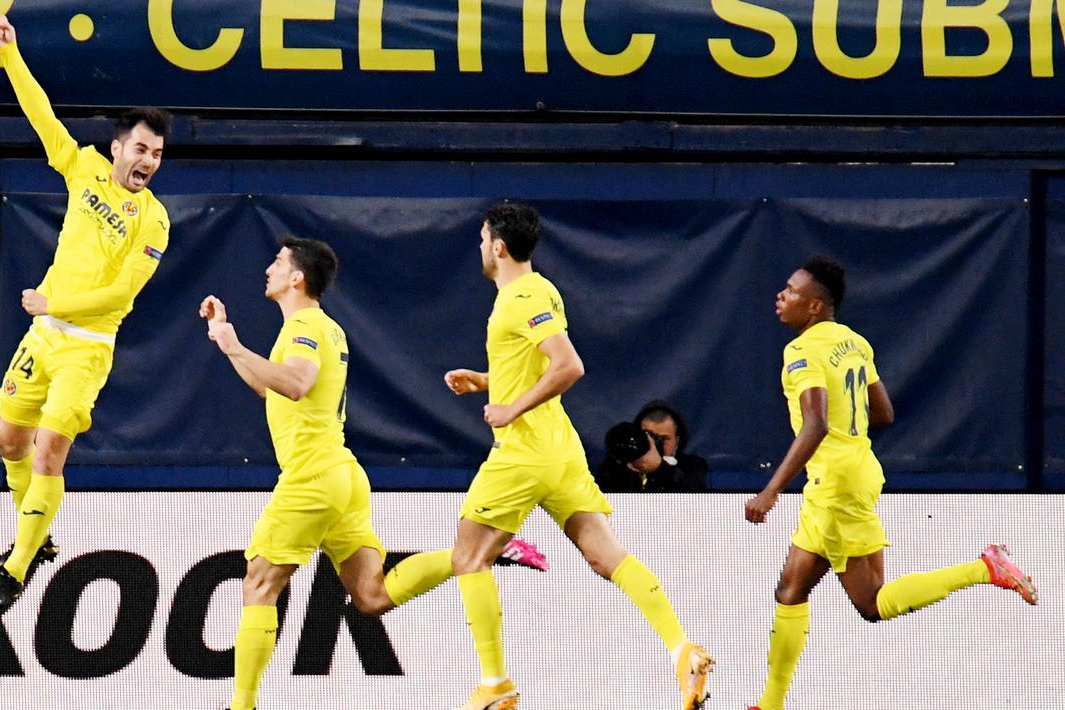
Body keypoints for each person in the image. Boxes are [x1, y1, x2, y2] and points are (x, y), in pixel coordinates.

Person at [200, 237, 546, 710]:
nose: (268, 269)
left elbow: (296, 384)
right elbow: (270, 388)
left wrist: (234, 344)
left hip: (312, 476)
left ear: (297, 278)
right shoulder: (325, 328)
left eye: (278, 262)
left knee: (259, 583)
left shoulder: (304, 324)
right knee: (372, 594)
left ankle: (241, 706)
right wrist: (227, 342)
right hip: (342, 477)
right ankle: (479, 552)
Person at [443, 202, 713, 710]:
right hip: (560, 450)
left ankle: (495, 684)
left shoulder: (519, 298)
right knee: (606, 556)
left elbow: (568, 366)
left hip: (524, 453)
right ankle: (682, 650)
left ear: (498, 247)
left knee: (468, 557)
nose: (479, 247)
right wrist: (485, 381)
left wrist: (510, 409)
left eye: (482, 239)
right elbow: (533, 365)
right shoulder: (541, 289)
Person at [743, 256, 1038, 710]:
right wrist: (848, 432)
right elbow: (883, 413)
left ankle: (984, 569)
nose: (781, 296)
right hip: (856, 471)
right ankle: (770, 704)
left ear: (815, 306)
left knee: (871, 603)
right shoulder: (855, 342)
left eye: (792, 291)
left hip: (835, 485)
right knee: (790, 588)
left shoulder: (801, 352)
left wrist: (771, 490)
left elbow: (816, 424)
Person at [0, 15, 172, 612]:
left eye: (158, 154)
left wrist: (52, 302)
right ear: (118, 149)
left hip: (86, 347)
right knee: (9, 442)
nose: (149, 161)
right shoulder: (84, 168)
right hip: (44, 337)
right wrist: (9, 54)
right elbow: (42, 119)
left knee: (50, 451)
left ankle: (16, 569)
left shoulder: (154, 221)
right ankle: (38, 537)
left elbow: (120, 297)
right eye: (141, 149)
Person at [595, 399, 708, 493]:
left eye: (664, 438)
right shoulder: (616, 466)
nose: (654, 443)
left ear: (677, 440)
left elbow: (696, 496)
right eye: (649, 435)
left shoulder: (692, 466)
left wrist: (660, 468)